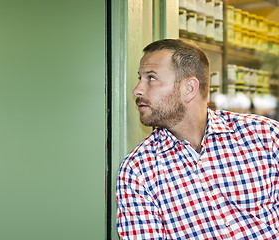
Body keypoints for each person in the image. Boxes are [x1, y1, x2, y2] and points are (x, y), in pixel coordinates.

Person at [116, 39, 279, 239]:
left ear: (189, 88)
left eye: (151, 78)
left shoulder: (266, 136)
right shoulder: (137, 170)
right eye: (140, 78)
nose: (137, 90)